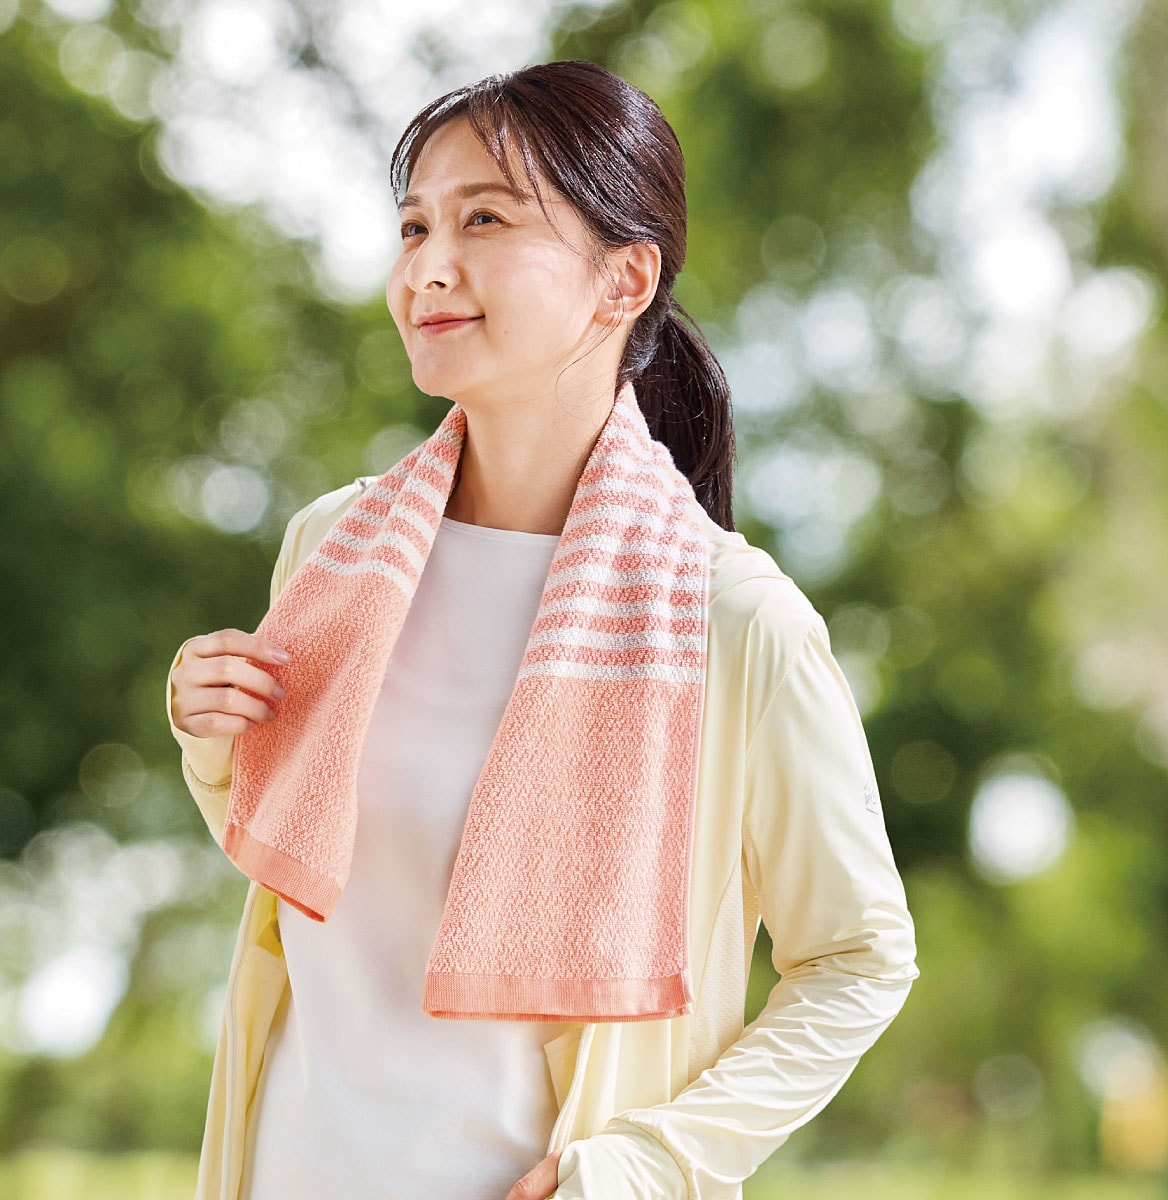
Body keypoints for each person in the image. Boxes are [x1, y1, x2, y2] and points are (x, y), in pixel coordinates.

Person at [166, 59, 918, 1200]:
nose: (428, 267)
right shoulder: (332, 549)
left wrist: (657, 1161)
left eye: (484, 220)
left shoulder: (733, 620)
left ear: (624, 279)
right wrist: (211, 731)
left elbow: (859, 957)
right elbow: (291, 852)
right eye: (413, 227)